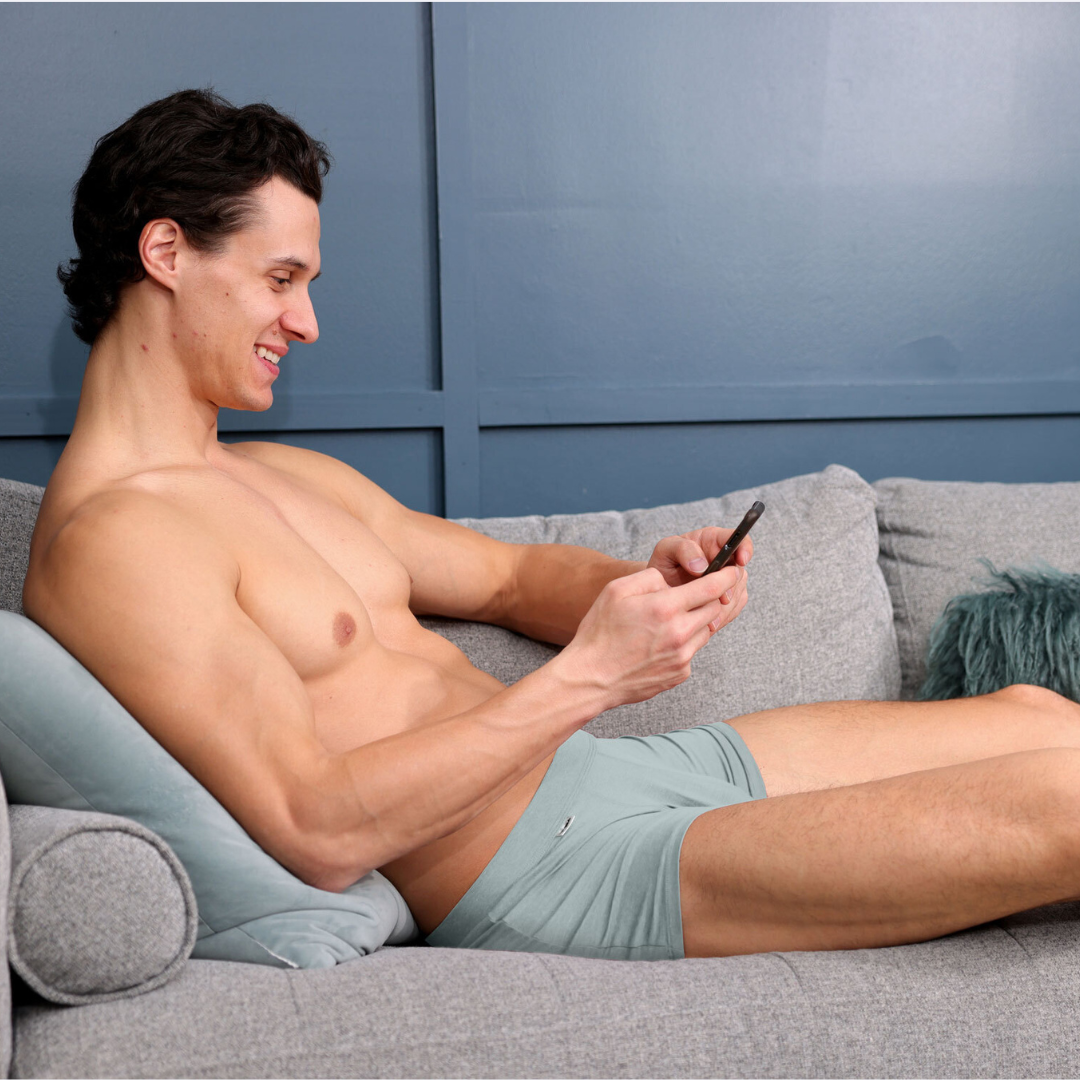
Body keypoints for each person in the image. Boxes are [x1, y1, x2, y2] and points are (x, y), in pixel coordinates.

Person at [23, 89, 1080, 962]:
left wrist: (644, 588)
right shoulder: (115, 542)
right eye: (279, 279)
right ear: (167, 252)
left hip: (623, 777)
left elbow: (508, 578)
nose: (305, 321)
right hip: (558, 869)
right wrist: (591, 678)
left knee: (1040, 714)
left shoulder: (277, 475)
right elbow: (318, 827)